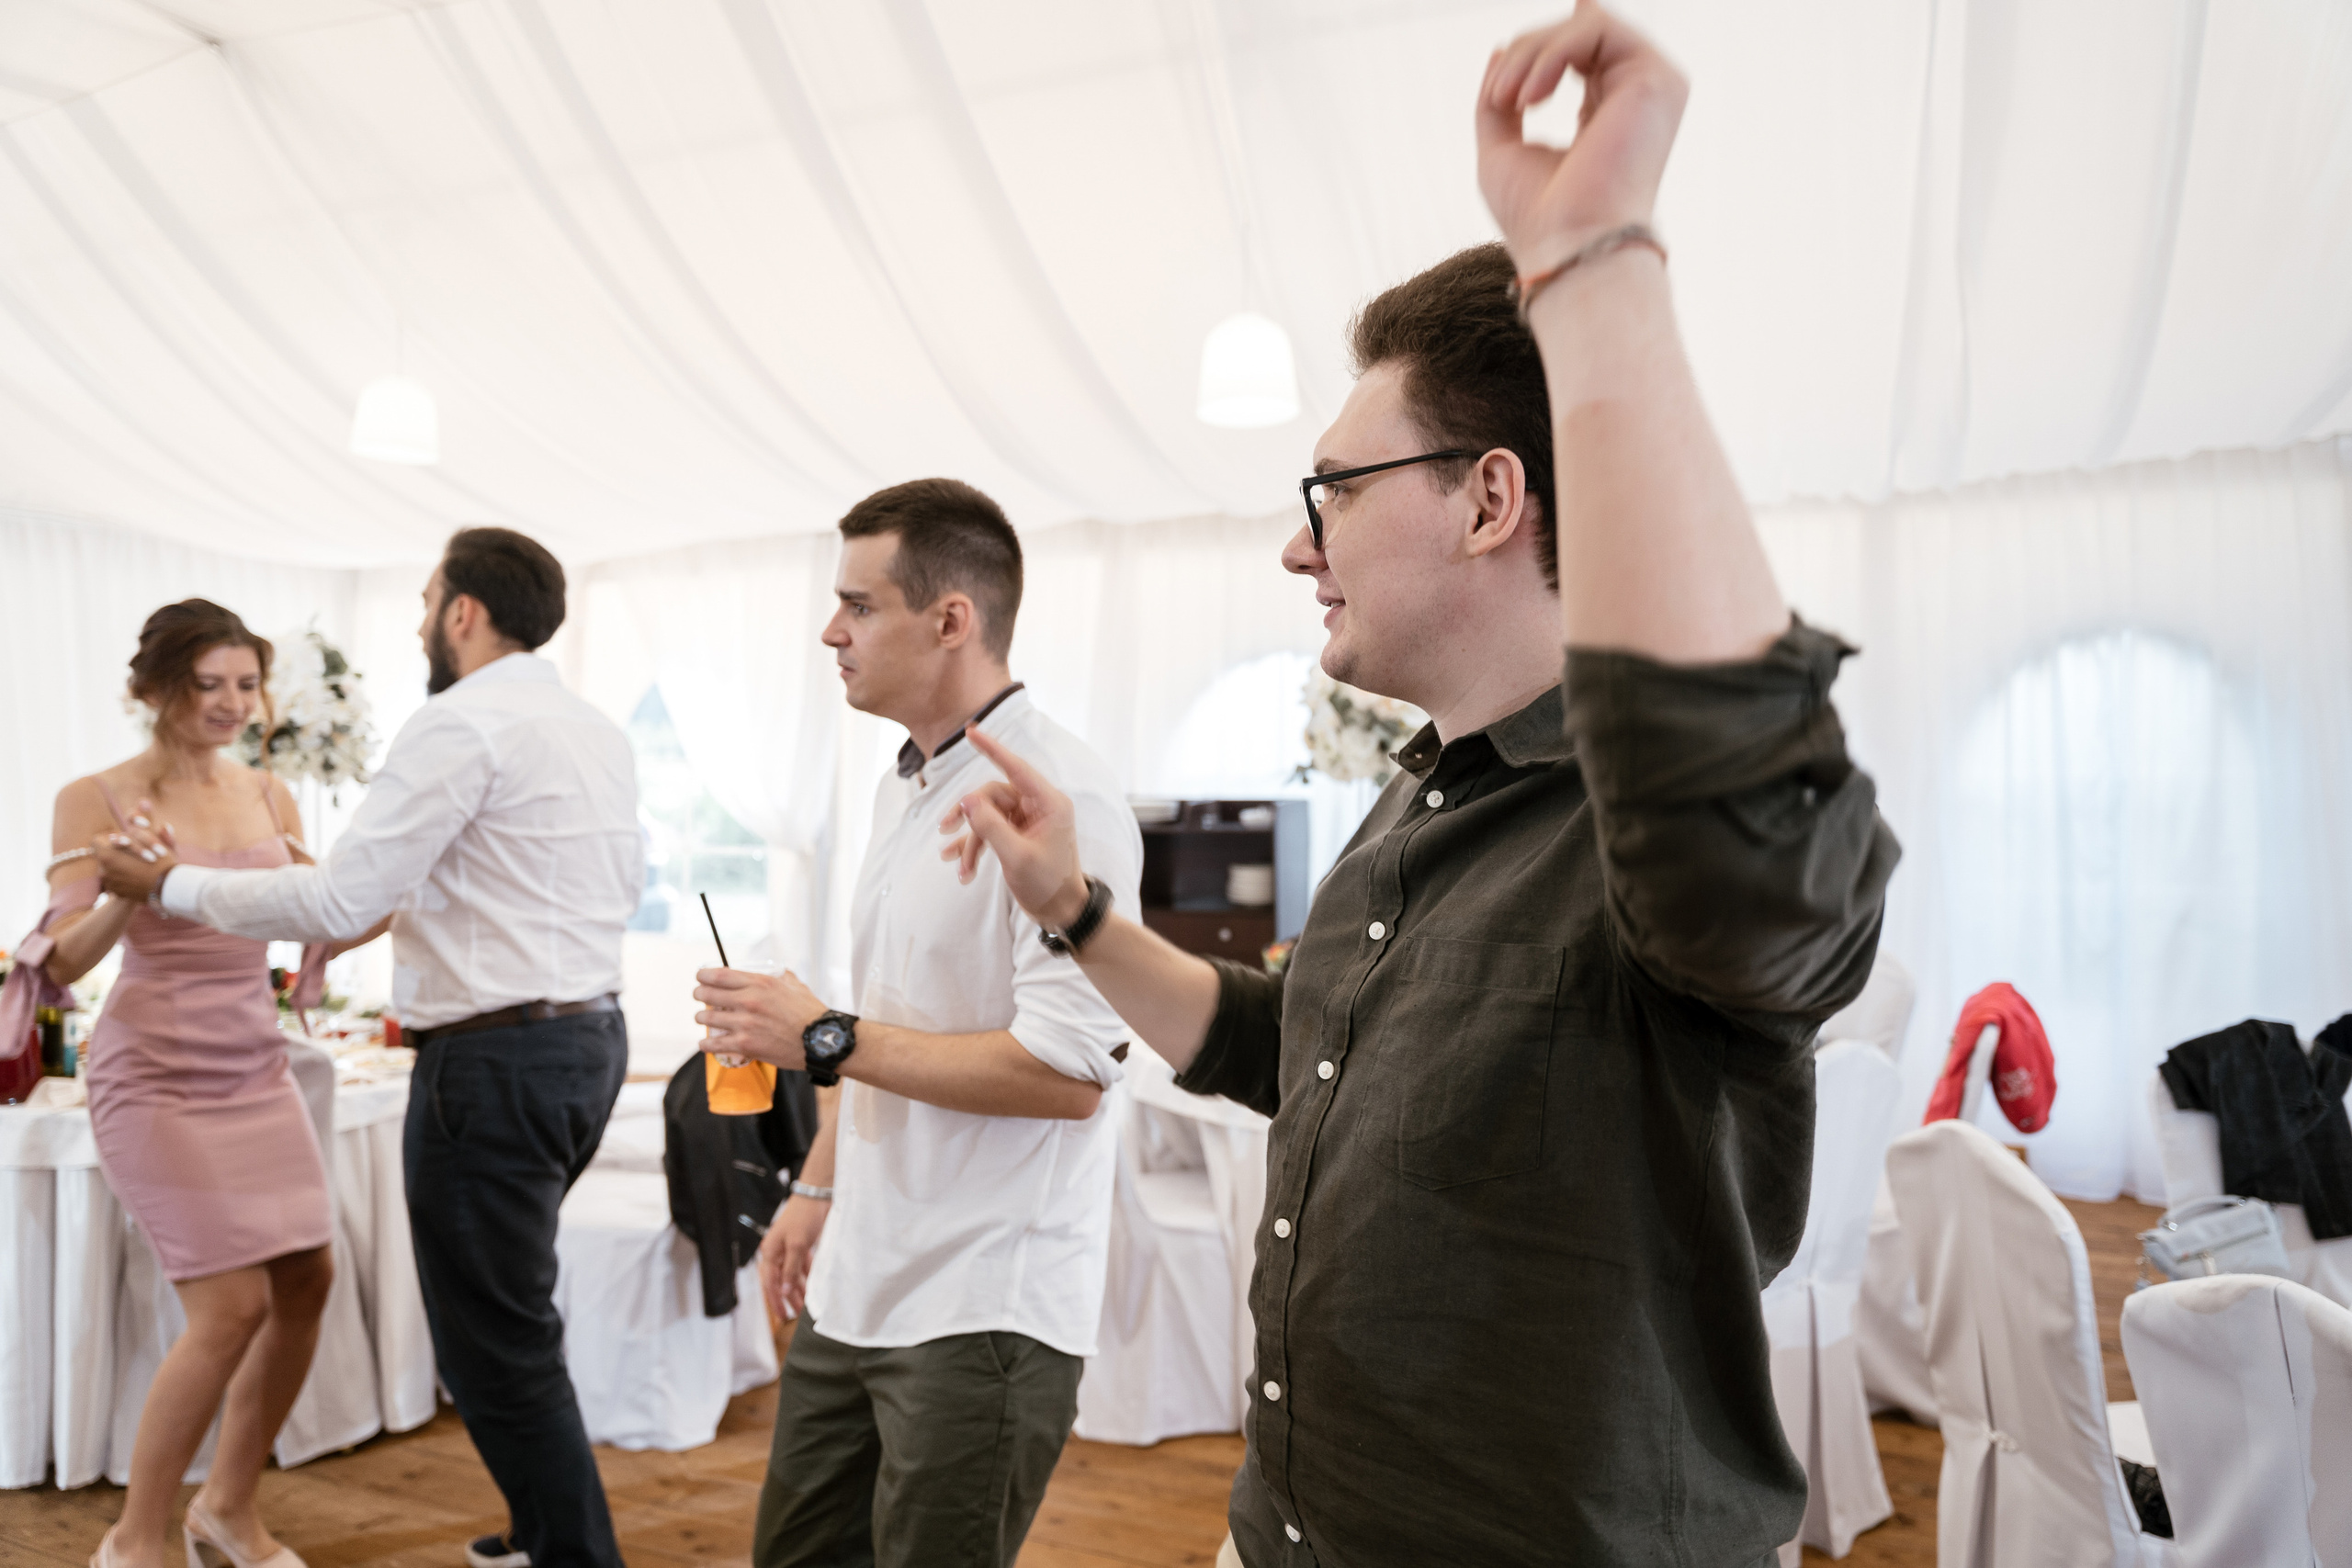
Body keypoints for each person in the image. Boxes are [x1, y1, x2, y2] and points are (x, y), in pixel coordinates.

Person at [937, 6, 1903, 1565]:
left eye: (1330, 489)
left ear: (1491, 499)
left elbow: (1747, 805)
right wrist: (1076, 907)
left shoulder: (1641, 832)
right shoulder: (1416, 798)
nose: (1295, 544)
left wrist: (1591, 268)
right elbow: (1287, 1047)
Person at [96, 530, 643, 1568]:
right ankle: (539, 1531)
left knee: (496, 1335)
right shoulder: (591, 728)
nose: (420, 619)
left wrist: (168, 885)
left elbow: (343, 894)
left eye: (428, 599)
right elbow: (527, 881)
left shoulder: (459, 722)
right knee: (506, 1310)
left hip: (496, 1062)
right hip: (588, 1041)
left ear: (464, 612)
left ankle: (572, 1555)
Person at [688, 479, 1143, 1568]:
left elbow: (1069, 1075)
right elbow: (891, 1017)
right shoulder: (902, 787)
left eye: (858, 605)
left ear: (951, 621)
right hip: (860, 1276)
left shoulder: (1065, 799)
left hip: (985, 1299)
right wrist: (816, 1189)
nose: (830, 631)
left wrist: (822, 1036)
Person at [19, 601, 382, 1568]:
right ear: (153, 690)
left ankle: (227, 1507)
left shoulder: (270, 795)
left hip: (255, 1065)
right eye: (207, 684)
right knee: (230, 1308)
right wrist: (125, 892)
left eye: (247, 684)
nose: (231, 703)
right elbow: (61, 961)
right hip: (153, 1075)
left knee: (306, 1280)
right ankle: (135, 1539)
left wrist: (413, 880)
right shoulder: (94, 797)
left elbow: (321, 914)